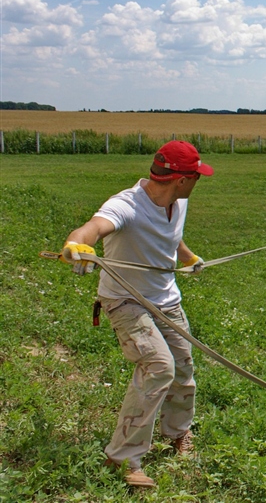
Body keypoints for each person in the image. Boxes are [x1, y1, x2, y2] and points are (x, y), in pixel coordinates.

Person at [60, 141, 213, 489]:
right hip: (125, 301)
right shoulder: (126, 205)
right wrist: (77, 246)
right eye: (196, 176)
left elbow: (171, 237)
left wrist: (188, 258)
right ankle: (123, 457)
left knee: (183, 366)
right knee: (158, 366)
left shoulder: (179, 201)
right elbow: (92, 229)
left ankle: (177, 433)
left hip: (166, 299)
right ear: (182, 179)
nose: (198, 182)